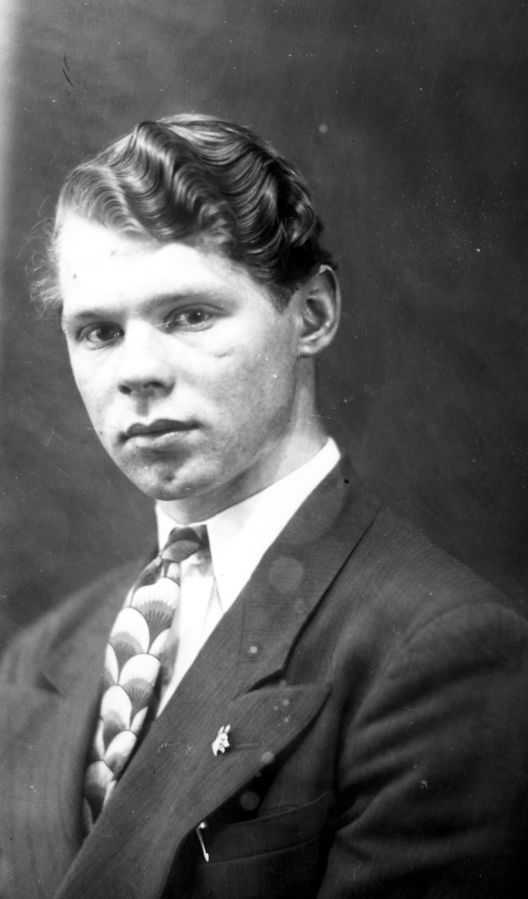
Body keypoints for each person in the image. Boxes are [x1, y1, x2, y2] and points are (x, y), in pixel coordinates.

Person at [1, 114, 527, 899]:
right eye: (99, 331)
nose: (138, 371)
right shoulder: (42, 653)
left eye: (190, 314)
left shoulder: (434, 652)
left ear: (311, 315)